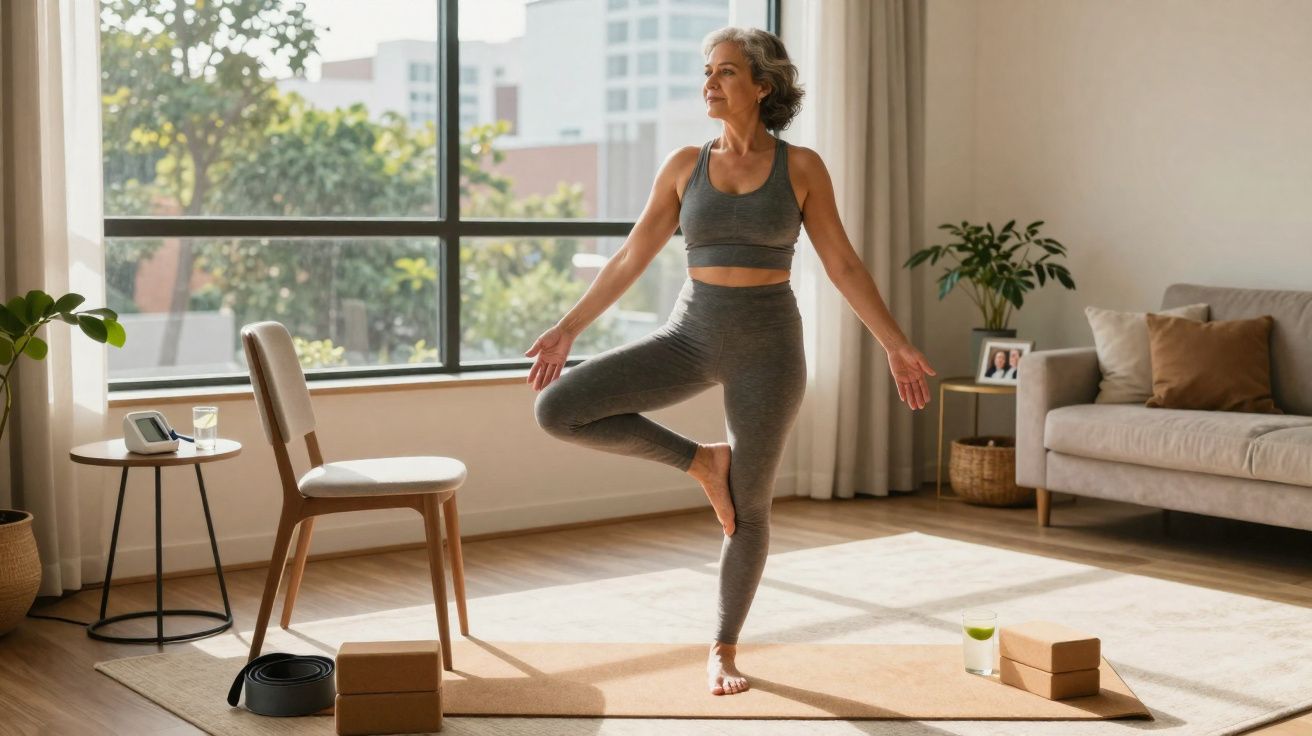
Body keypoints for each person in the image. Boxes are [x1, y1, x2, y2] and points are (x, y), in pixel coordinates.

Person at [525, 27, 936, 697]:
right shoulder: (685, 165)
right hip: (690, 336)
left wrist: (895, 342)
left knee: (750, 509)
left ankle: (722, 647)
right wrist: (569, 327)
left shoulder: (799, 167)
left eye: (725, 73)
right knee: (560, 408)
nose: (709, 84)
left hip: (769, 350)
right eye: (707, 73)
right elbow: (632, 256)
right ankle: (701, 462)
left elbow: (842, 262)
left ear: (762, 85)